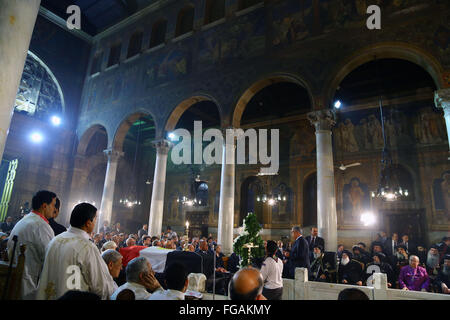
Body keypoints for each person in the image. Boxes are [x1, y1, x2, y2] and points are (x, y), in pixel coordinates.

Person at [36, 203, 117, 300]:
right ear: (88, 223)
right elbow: (101, 286)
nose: (96, 222)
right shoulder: (87, 247)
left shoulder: (55, 240)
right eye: (95, 219)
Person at [7, 190, 56, 299]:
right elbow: (50, 259)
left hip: (13, 279)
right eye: (53, 205)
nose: (54, 209)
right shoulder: (41, 226)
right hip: (29, 285)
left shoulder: (24, 220)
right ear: (44, 206)